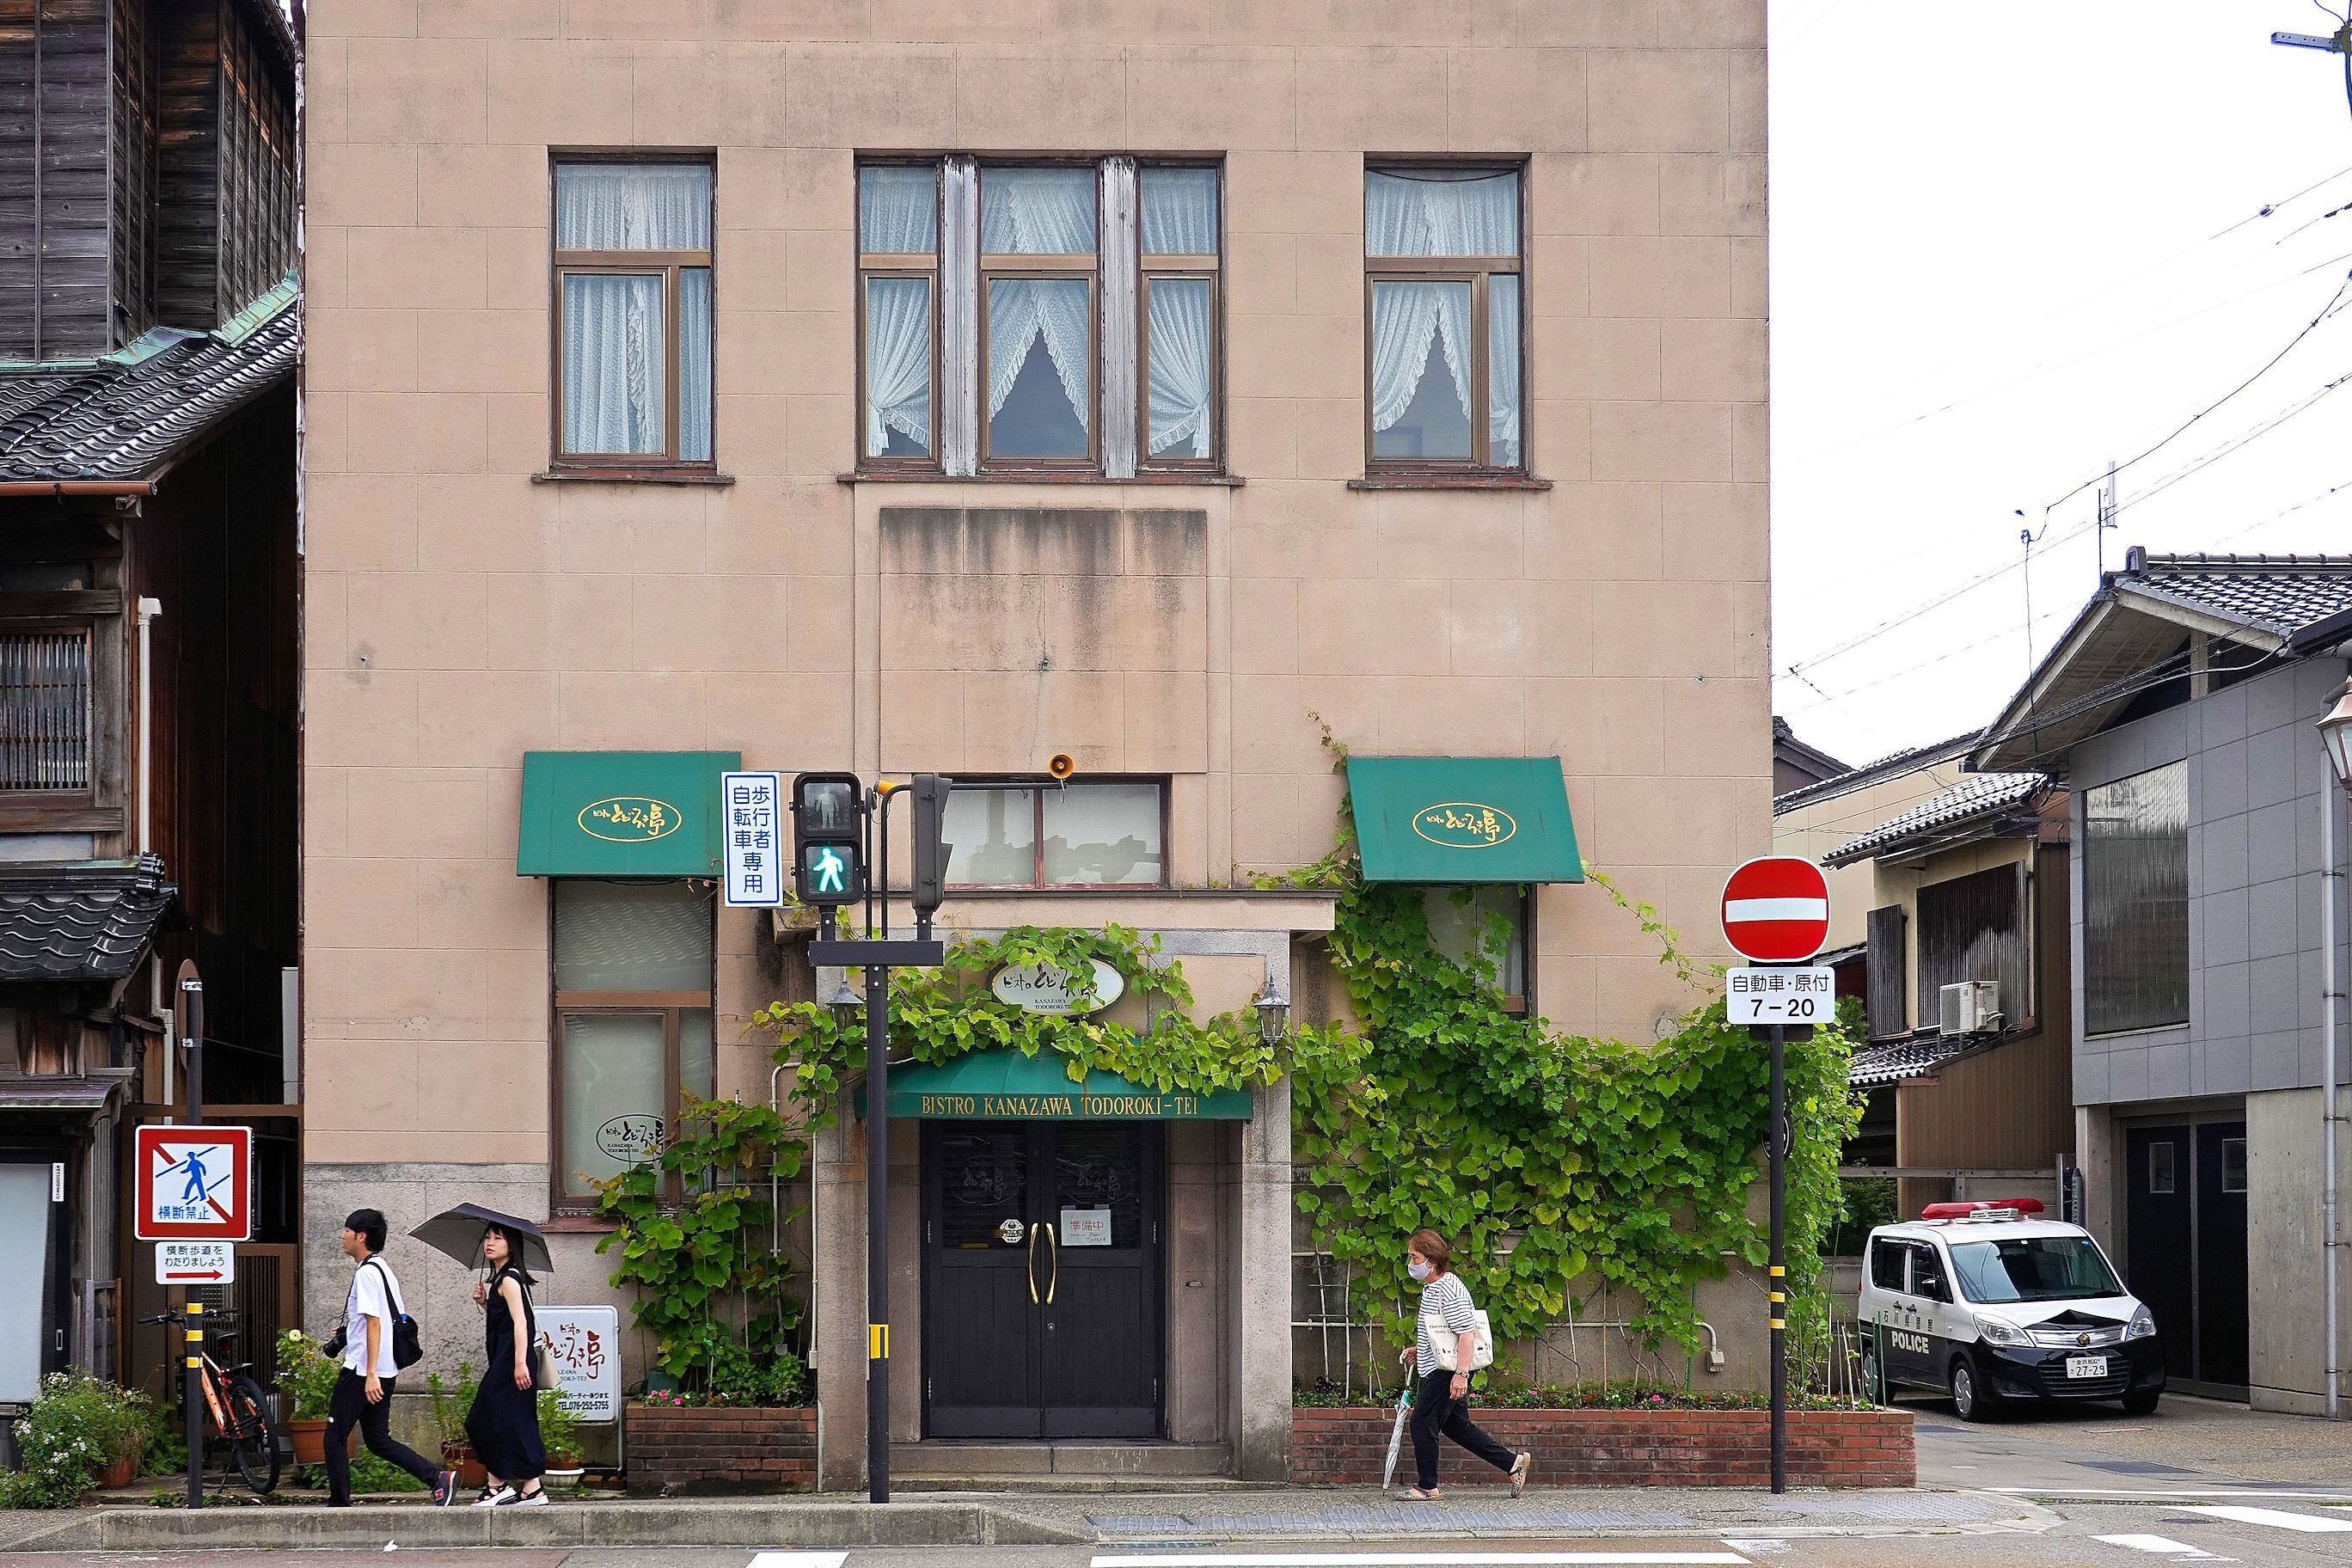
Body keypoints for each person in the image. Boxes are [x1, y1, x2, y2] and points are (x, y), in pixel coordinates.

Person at [325, 1209, 460, 1508]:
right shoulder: (382, 1268)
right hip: (385, 1368)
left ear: (361, 1236)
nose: (342, 1236)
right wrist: (350, 1331)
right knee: (377, 1440)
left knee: (335, 1435)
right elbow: (380, 1320)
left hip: (363, 1371)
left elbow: (374, 1323)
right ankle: (437, 1478)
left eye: (347, 1230)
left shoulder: (366, 1273)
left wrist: (370, 1373)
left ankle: (339, 1504)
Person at [1394, 1227, 1529, 1501]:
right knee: (1456, 1426)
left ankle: (1427, 1487)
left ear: (1431, 1260)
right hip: (1443, 1366)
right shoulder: (1432, 1287)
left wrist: (1461, 1375)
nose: (1411, 1263)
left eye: (1415, 1257)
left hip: (1449, 1370)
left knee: (1422, 1422)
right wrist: (1420, 1350)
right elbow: (1444, 1332)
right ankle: (1513, 1464)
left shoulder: (1448, 1288)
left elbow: (1467, 1333)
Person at [464, 1223, 547, 1507]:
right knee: (515, 1420)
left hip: (512, 1361)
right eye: (487, 1237)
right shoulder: (503, 1278)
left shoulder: (510, 1279)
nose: (489, 1242)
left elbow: (521, 1322)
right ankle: (532, 1488)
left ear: (511, 1245)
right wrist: (485, 1303)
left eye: (497, 1238)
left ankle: (497, 1486)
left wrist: (520, 1363)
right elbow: (506, 1320)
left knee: (481, 1419)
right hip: (507, 1359)